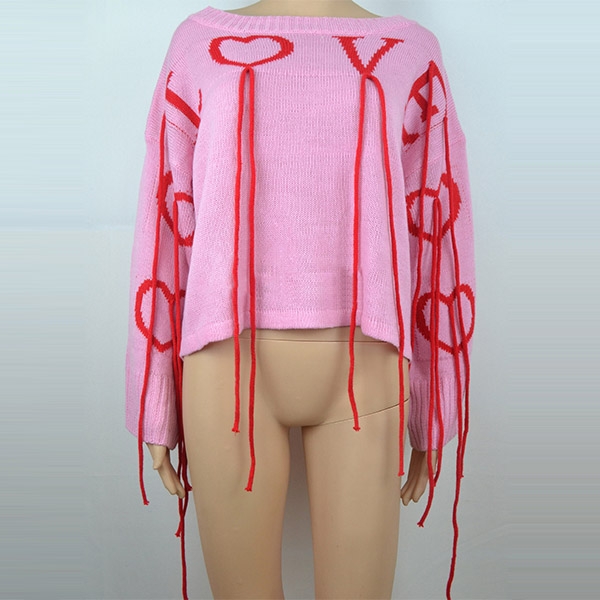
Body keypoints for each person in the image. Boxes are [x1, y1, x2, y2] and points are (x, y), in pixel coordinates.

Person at [125, 2, 476, 598]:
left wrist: (435, 401)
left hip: (364, 367)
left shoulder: (411, 53)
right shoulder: (199, 44)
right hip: (226, 362)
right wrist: (154, 393)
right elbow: (164, 214)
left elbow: (438, 228)